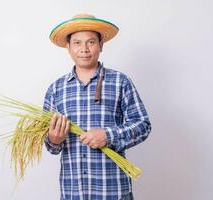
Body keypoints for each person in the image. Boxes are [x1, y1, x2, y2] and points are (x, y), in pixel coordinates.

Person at [43, 13, 151, 200]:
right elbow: (51, 147)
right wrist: (54, 139)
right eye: (77, 43)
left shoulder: (120, 82)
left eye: (91, 42)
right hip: (73, 193)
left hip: (113, 191)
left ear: (101, 45)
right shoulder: (56, 89)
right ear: (68, 47)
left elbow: (143, 125)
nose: (84, 49)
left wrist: (108, 136)